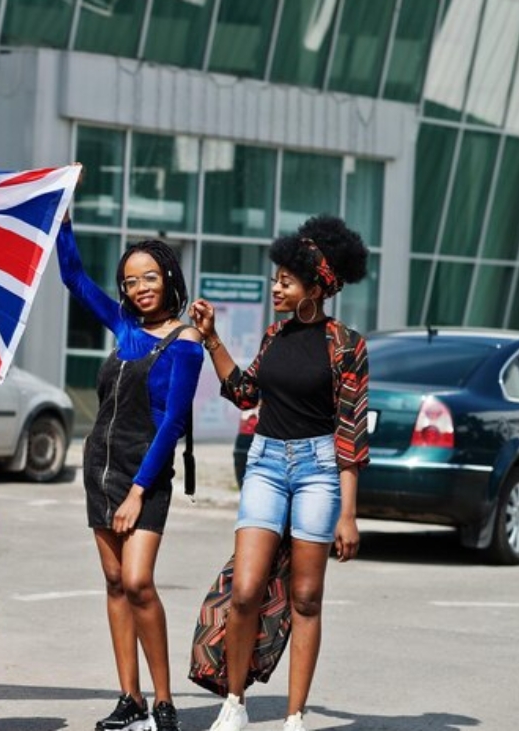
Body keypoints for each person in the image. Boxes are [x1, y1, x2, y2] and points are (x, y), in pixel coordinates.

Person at [189, 215, 369, 731]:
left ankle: (294, 716)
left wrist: (349, 515)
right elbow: (245, 392)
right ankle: (235, 703)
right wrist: (212, 339)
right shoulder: (274, 335)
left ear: (317, 286)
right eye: (276, 278)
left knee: (307, 597)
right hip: (266, 463)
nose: (276, 287)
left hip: (318, 471)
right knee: (244, 591)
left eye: (286, 281)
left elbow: (351, 432)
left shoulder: (346, 345)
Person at [56, 221, 202, 731]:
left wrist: (139, 491)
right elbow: (72, 277)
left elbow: (173, 425)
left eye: (149, 278)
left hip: (146, 474)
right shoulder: (123, 328)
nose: (139, 289)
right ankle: (130, 698)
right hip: (99, 468)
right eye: (130, 282)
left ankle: (164, 703)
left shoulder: (185, 343)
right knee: (115, 582)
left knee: (138, 581)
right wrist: (63, 217)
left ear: (168, 277)